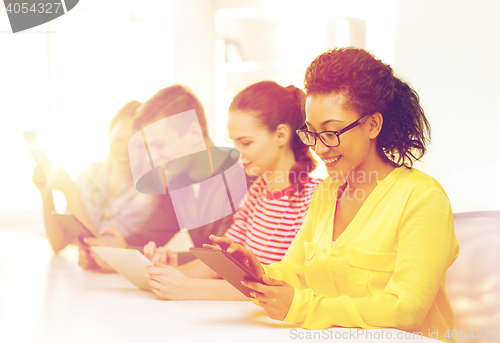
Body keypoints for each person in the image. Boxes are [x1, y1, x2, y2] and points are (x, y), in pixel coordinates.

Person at [208, 48, 460, 342]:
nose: (319, 147)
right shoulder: (327, 193)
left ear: (372, 125)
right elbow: (295, 272)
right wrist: (258, 272)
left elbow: (406, 310)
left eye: (331, 132)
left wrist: (303, 307)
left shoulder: (422, 198)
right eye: (312, 133)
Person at [144, 81, 323, 300]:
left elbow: (282, 285)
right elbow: (221, 262)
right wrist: (166, 276)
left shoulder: (313, 199)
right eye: (234, 143)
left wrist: (189, 288)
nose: (236, 153)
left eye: (246, 143)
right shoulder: (257, 194)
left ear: (281, 136)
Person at [33, 101, 178, 270]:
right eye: (119, 138)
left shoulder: (150, 194)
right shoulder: (88, 174)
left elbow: (104, 250)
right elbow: (58, 242)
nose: (125, 149)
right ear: (110, 134)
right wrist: (45, 188)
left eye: (136, 144)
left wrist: (69, 190)